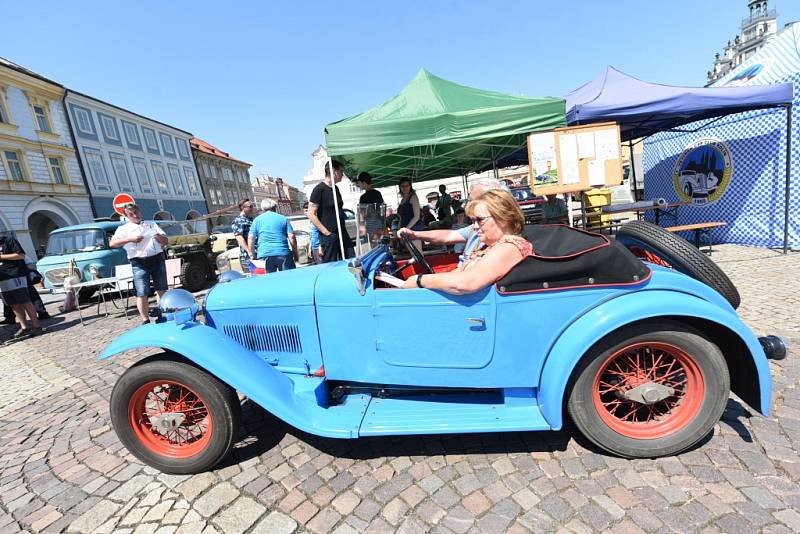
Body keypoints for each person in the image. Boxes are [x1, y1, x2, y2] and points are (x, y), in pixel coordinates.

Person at [400, 190, 530, 295]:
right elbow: (459, 275)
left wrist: (419, 280)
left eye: (480, 220)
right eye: (473, 221)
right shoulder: (491, 246)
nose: (475, 226)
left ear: (504, 219)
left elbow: (465, 284)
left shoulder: (509, 247)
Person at [398, 177, 507, 266]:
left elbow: (467, 282)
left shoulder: (505, 245)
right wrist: (414, 234)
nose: (468, 206)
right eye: (470, 201)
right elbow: (449, 235)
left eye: (474, 201)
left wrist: (420, 280)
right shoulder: (475, 230)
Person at [109, 203, 169, 325]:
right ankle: (145, 320)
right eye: (131, 214)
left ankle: (161, 314)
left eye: (136, 212)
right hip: (139, 262)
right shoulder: (123, 229)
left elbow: (166, 241)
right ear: (126, 215)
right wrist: (130, 239)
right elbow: (112, 244)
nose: (135, 215)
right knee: (142, 291)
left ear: (139, 211)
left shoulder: (151, 224)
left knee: (161, 288)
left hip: (157, 258)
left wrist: (156, 235)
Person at [308, 160, 354, 262]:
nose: (343, 174)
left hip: (342, 232)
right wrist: (327, 233)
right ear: (334, 171)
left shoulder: (335, 188)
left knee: (351, 260)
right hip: (329, 236)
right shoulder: (319, 189)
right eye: (341, 171)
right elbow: (311, 214)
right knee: (331, 265)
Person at [0, 234, 43, 338]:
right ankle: (24, 327)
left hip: (15, 275)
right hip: (2, 278)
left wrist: (1, 257)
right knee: (13, 304)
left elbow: (20, 255)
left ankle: (37, 326)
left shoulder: (9, 240)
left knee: (25, 302)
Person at [248, 198, 298, 273]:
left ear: (262, 208)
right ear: (275, 207)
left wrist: (251, 254)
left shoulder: (256, 220)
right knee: (288, 279)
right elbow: (292, 237)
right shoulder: (283, 219)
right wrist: (295, 252)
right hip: (283, 252)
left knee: (264, 282)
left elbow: (251, 238)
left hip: (263, 254)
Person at [397, 178, 423, 250]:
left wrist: (406, 229)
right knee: (413, 254)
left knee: (418, 253)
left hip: (414, 229)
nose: (405, 188)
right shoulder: (402, 200)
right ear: (400, 187)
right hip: (405, 230)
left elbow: (416, 216)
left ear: (410, 186)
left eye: (407, 186)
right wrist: (400, 230)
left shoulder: (413, 197)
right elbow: (401, 218)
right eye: (402, 186)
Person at [231, 198, 257, 269]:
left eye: (252, 206)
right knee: (257, 275)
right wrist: (249, 252)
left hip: (258, 251)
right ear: (243, 208)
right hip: (250, 254)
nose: (252, 208)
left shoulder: (251, 219)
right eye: (250, 206)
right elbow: (239, 237)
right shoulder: (238, 221)